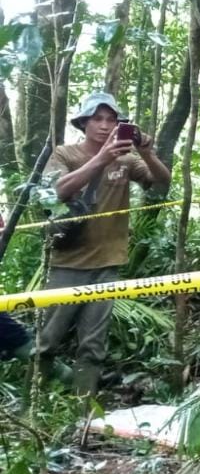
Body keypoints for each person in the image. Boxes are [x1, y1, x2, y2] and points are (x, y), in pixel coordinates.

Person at [37, 92, 170, 394]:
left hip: (108, 263)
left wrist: (147, 152)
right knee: (46, 341)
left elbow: (162, 182)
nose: (104, 125)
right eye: (97, 118)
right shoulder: (64, 154)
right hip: (67, 262)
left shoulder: (127, 160)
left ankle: (83, 410)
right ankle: (40, 405)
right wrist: (100, 160)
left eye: (111, 119)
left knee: (93, 345)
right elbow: (55, 192)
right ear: (83, 123)